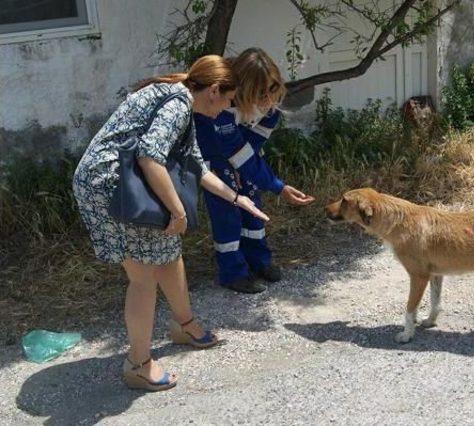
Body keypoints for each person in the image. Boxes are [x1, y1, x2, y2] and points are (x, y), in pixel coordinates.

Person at [72, 55, 269, 392]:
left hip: (122, 184)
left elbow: (196, 165)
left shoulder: (181, 98)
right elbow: (150, 156)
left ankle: (184, 325)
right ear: (214, 91)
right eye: (227, 100)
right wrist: (177, 212)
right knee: (143, 277)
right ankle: (137, 364)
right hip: (111, 189)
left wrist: (238, 199)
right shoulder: (178, 104)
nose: (225, 109)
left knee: (168, 253)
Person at [194, 48, 314, 294]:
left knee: (253, 207)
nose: (269, 100)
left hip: (242, 154)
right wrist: (277, 186)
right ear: (243, 88)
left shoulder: (271, 107)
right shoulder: (222, 107)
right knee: (227, 213)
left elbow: (252, 146)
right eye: (261, 93)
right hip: (214, 162)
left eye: (273, 89)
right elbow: (232, 149)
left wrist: (249, 172)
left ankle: (259, 261)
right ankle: (232, 272)